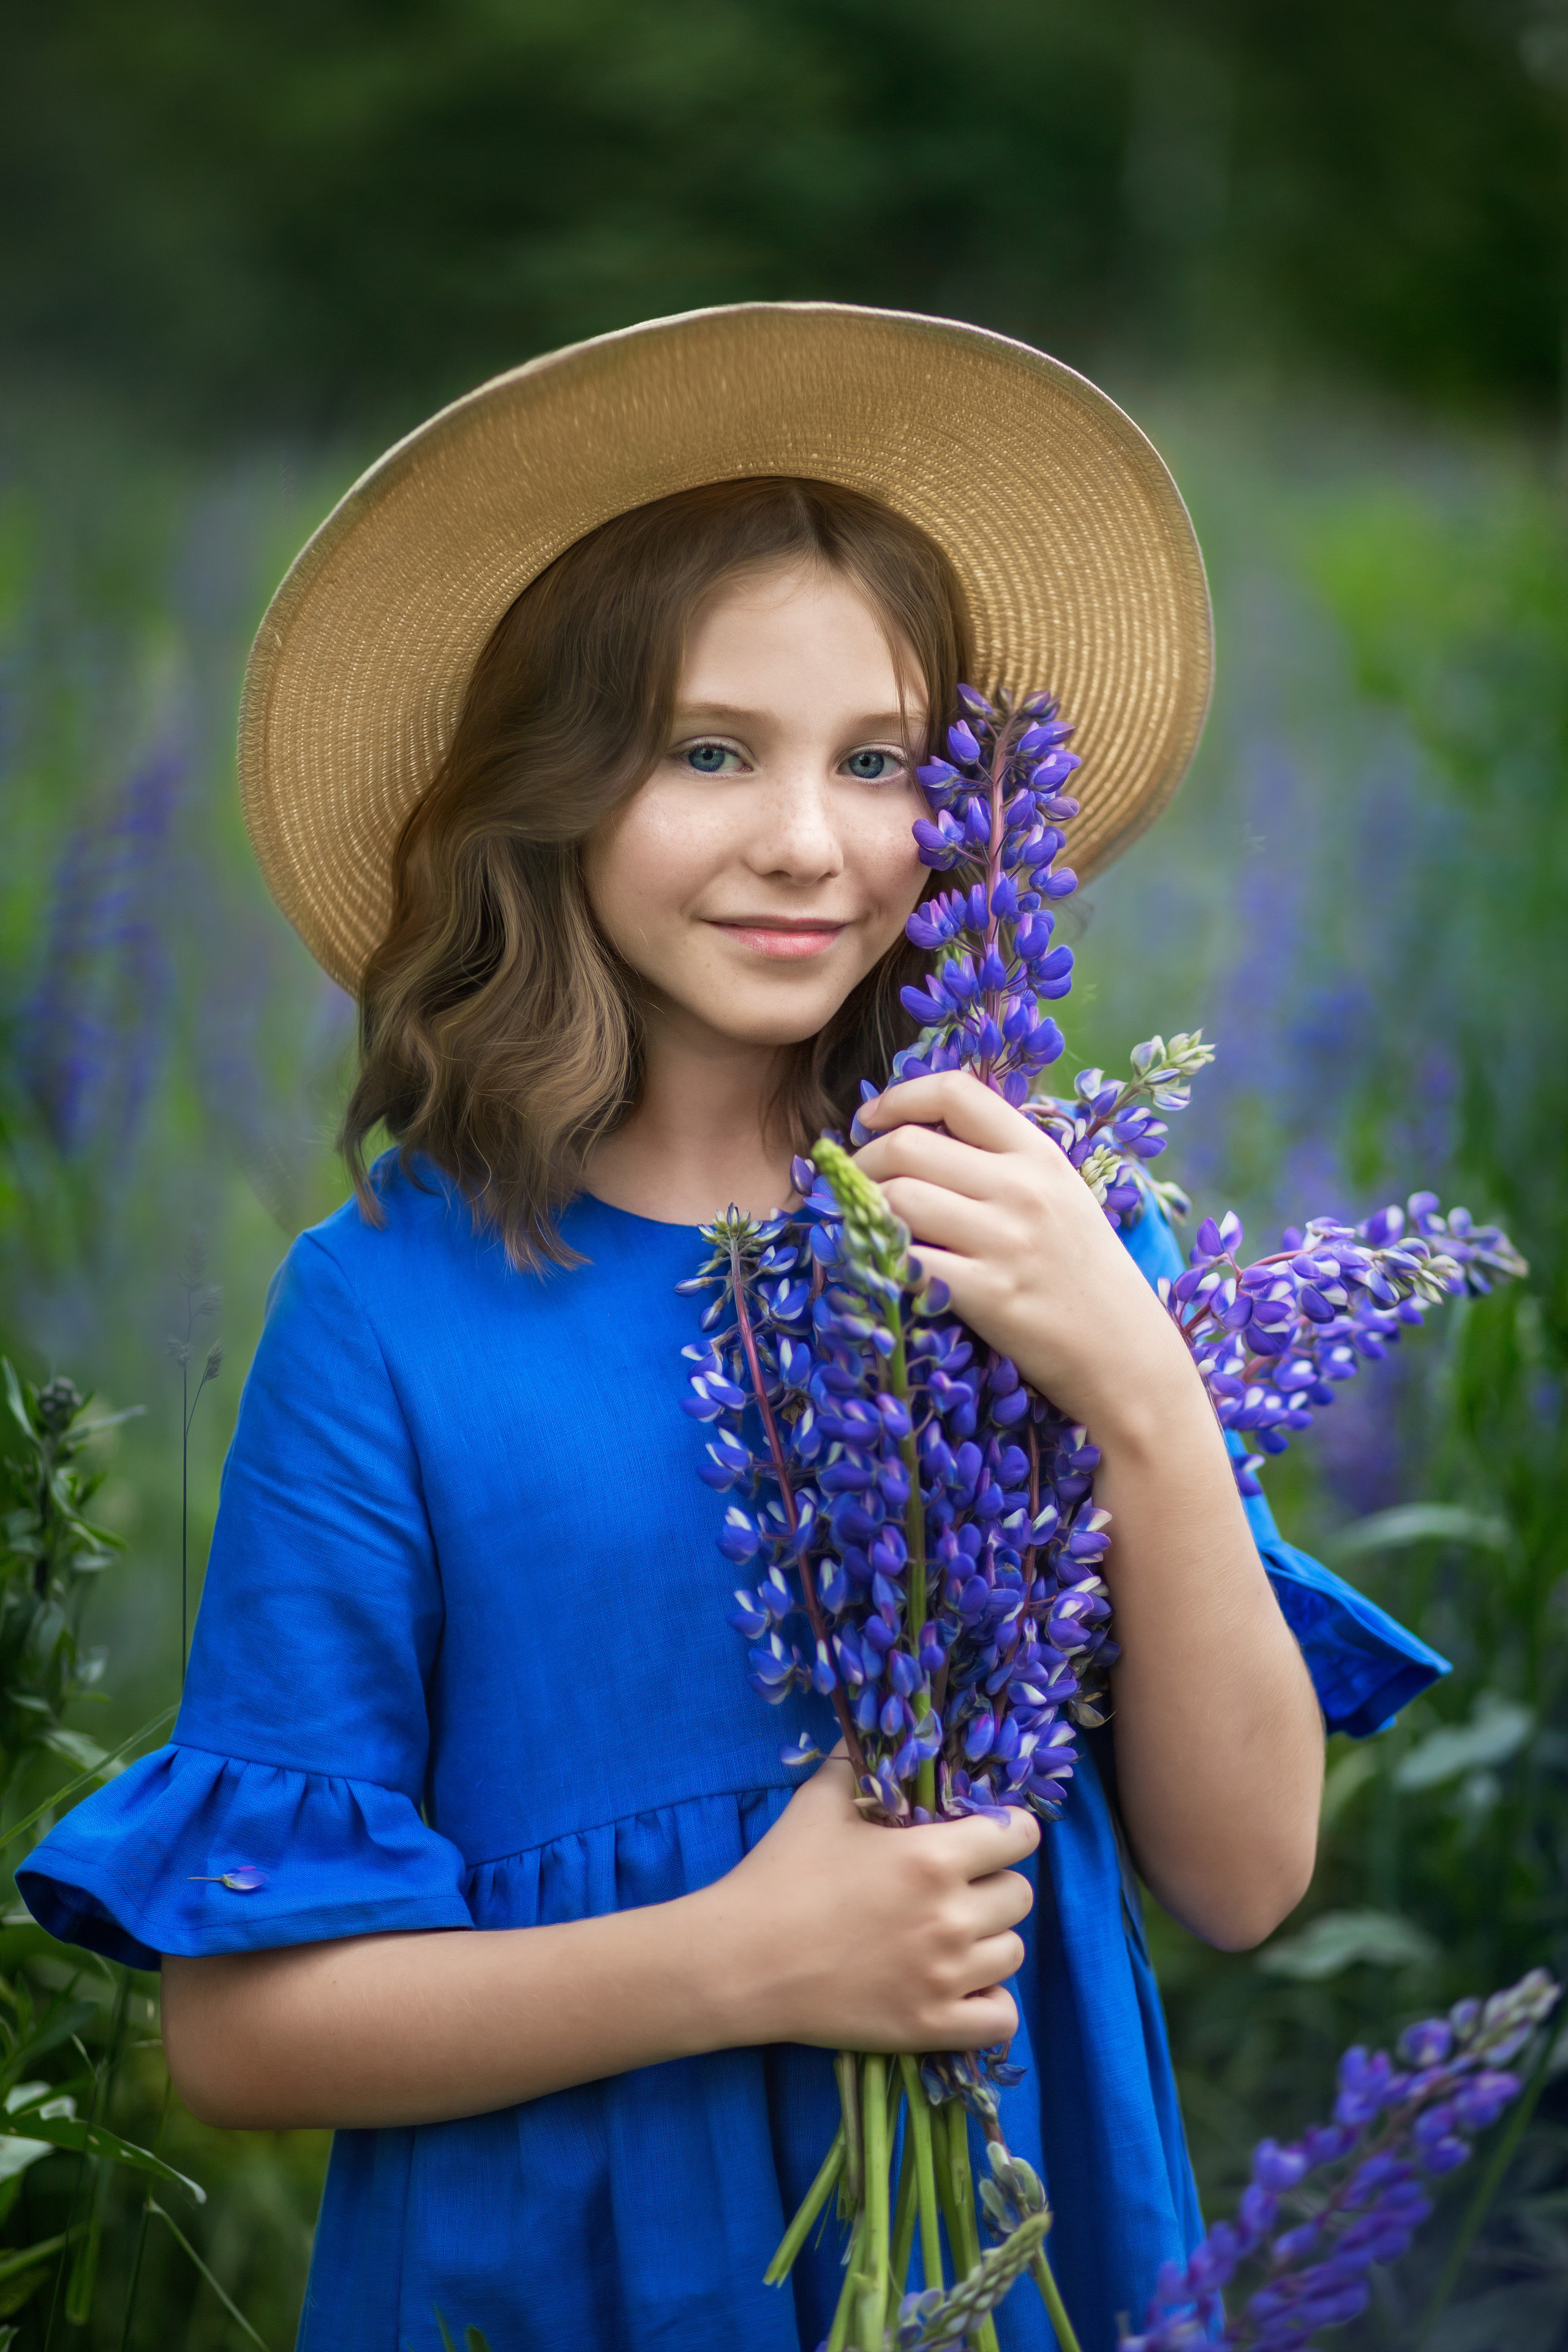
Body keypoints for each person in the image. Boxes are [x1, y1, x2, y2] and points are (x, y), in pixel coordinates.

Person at [18, 305, 1446, 2352]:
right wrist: (755, 1959)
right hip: (570, 2274)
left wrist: (1136, 1380)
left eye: (879, 763)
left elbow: (1244, 1875)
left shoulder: (1043, 1229)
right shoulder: (390, 1315)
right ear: (553, 791)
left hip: (1003, 2238)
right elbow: (245, 2041)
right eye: (710, 753)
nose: (809, 840)